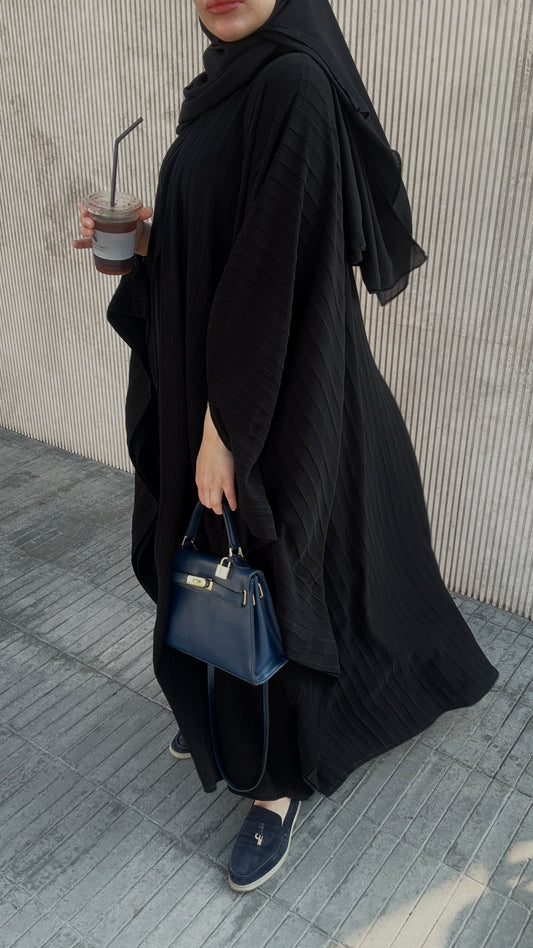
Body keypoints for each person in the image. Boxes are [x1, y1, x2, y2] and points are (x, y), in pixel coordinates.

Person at [74, 0, 498, 893]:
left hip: (275, 393)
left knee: (266, 561)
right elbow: (223, 238)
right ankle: (223, 702)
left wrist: (226, 433)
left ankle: (274, 786)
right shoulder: (220, 88)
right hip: (224, 382)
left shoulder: (294, 84)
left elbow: (272, 276)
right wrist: (143, 242)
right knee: (220, 564)